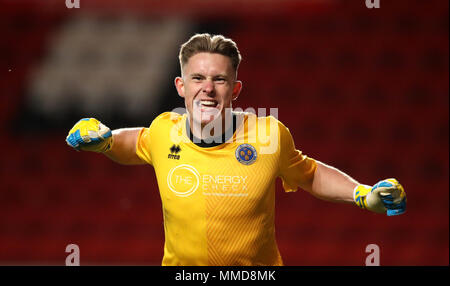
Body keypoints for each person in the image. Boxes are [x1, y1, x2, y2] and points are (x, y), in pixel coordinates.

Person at [66, 33, 407, 266]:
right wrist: (107, 140)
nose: (208, 89)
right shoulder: (163, 130)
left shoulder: (268, 134)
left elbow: (310, 173)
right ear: (181, 86)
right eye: (198, 78)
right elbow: (134, 142)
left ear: (236, 88)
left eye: (220, 80)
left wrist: (363, 194)